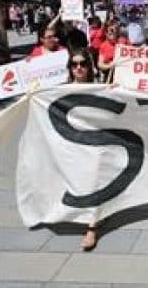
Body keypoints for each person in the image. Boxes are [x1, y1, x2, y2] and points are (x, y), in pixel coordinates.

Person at [66, 48, 98, 249]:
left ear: (89, 67)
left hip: (94, 145)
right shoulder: (58, 90)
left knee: (93, 182)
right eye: (74, 64)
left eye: (82, 64)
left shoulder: (100, 88)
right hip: (70, 145)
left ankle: (92, 227)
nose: (78, 68)